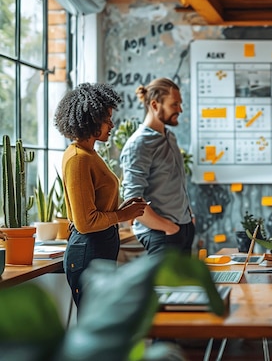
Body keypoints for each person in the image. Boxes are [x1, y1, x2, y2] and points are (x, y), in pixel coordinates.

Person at [54, 83, 147, 307]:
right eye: (107, 119)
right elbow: (86, 222)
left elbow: (95, 206)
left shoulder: (89, 154)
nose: (112, 124)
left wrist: (121, 208)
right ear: (91, 119)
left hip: (96, 251)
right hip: (88, 253)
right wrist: (122, 216)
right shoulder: (78, 158)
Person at [120, 78, 194, 255]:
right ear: (155, 105)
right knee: (163, 284)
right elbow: (132, 200)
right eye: (174, 105)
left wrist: (187, 218)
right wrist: (169, 228)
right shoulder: (138, 145)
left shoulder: (170, 137)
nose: (180, 110)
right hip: (162, 234)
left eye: (180, 104)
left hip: (182, 228)